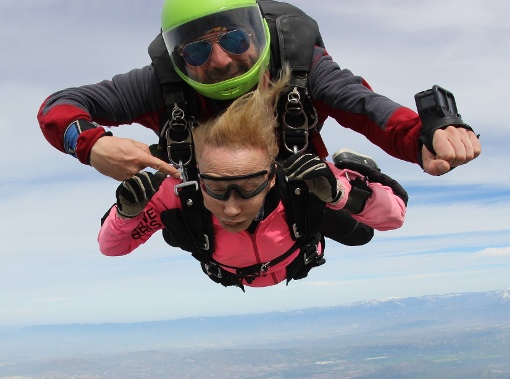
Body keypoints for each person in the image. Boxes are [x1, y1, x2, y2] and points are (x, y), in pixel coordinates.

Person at [37, 0, 481, 183]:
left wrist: (425, 136)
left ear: (258, 33)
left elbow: (366, 107)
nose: (221, 61)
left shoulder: (300, 64)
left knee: (346, 220)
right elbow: (60, 106)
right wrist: (91, 145)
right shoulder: (160, 85)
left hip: (295, 182)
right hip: (212, 196)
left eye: (232, 40)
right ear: (177, 57)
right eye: (195, 49)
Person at [97, 71, 407, 289]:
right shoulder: (178, 193)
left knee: (359, 234)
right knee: (175, 231)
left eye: (247, 190)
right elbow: (112, 247)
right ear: (200, 177)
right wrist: (126, 214)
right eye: (216, 189)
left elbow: (393, 217)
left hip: (298, 246)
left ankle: (356, 169)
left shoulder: (303, 180)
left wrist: (341, 193)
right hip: (242, 269)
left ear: (272, 178)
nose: (231, 209)